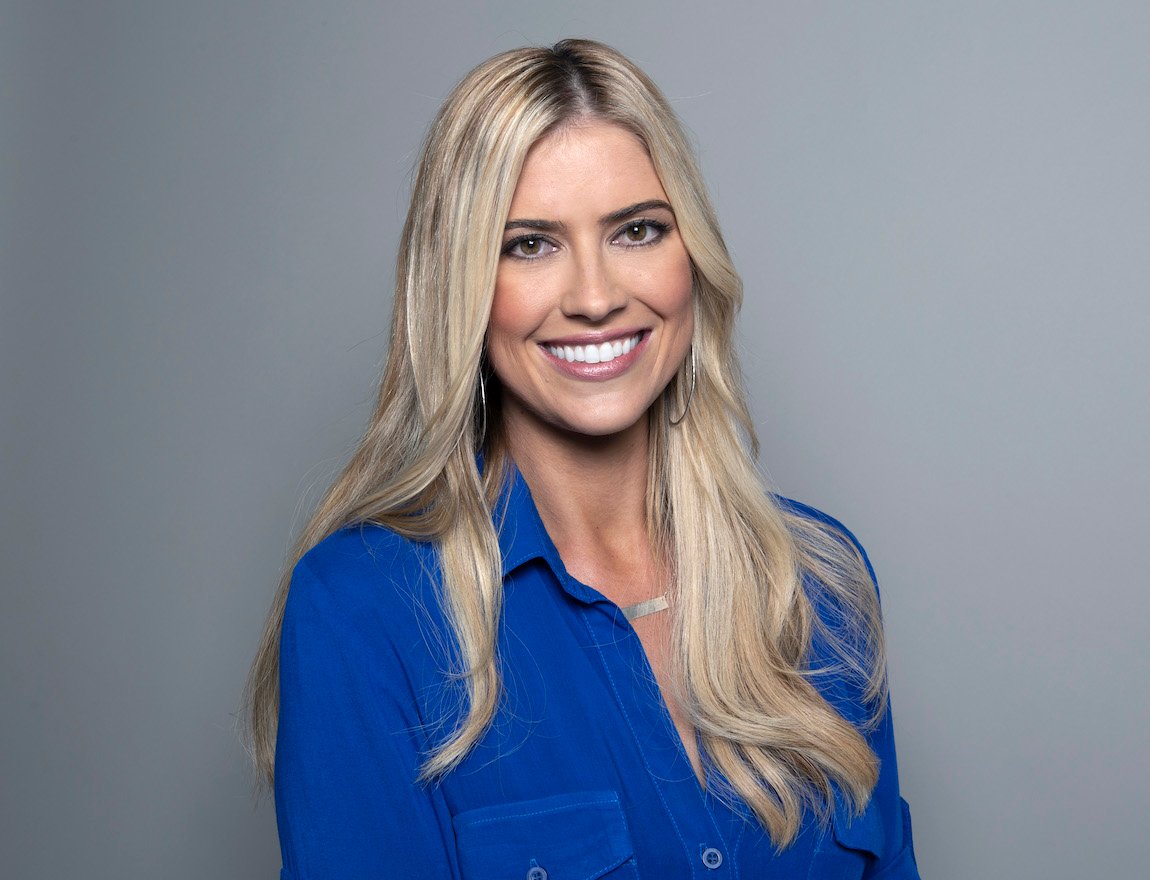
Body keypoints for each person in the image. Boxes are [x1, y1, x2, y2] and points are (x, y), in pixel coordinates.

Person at [244, 38, 920, 879]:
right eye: (529, 244)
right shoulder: (361, 614)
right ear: (459, 285)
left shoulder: (819, 587)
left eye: (637, 230)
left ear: (690, 259)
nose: (596, 297)